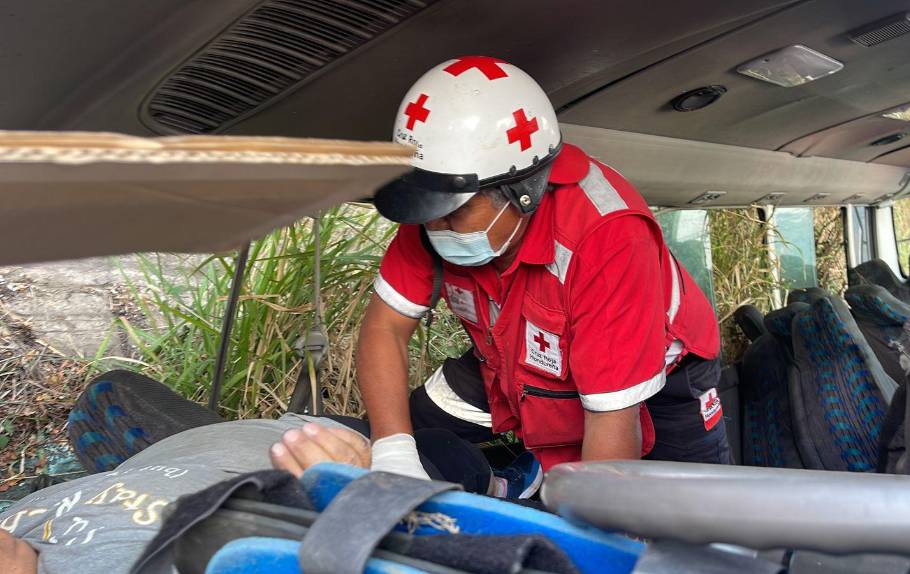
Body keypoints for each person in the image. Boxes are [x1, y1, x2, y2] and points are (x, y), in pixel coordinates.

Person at [359, 56, 727, 495]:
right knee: (386, 435)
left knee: (687, 519)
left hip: (655, 377)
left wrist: (590, 532)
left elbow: (611, 416)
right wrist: (394, 453)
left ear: (524, 194)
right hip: (507, 357)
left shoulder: (608, 235)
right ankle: (505, 481)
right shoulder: (437, 212)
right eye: (428, 212)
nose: (434, 228)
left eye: (453, 214)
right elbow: (385, 327)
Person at [0, 372, 499, 573]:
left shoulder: (15, 524)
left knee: (109, 391)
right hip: (351, 466)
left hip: (253, 436)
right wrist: (361, 496)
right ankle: (496, 474)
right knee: (450, 450)